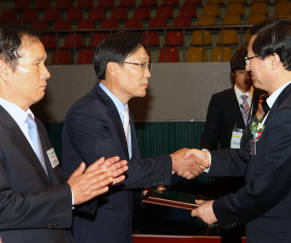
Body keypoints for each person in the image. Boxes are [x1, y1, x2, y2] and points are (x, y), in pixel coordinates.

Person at [184, 19, 291, 242]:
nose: (247, 67)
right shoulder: (285, 101)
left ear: (274, 60)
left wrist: (217, 209)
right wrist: (206, 159)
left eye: (251, 59)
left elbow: (267, 188)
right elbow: (251, 154)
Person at [61, 31, 203, 243]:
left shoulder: (122, 110)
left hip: (120, 227)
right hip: (94, 231)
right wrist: (172, 162)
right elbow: (116, 171)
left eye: (149, 66)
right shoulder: (88, 112)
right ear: (113, 68)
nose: (148, 74)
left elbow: (130, 170)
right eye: (141, 65)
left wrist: (147, 187)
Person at [0, 24, 129, 243]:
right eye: (37, 63)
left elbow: (47, 191)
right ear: (4, 69)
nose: (47, 73)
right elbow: (4, 208)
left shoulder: (35, 125)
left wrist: (89, 186)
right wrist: (70, 193)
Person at [201, 46, 265, 243]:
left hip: (257, 172)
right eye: (240, 72)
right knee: (230, 232)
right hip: (229, 176)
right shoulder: (220, 100)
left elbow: (260, 133)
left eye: (248, 72)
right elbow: (209, 137)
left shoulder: (264, 97)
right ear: (232, 74)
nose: (245, 77)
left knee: (258, 228)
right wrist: (204, 160)